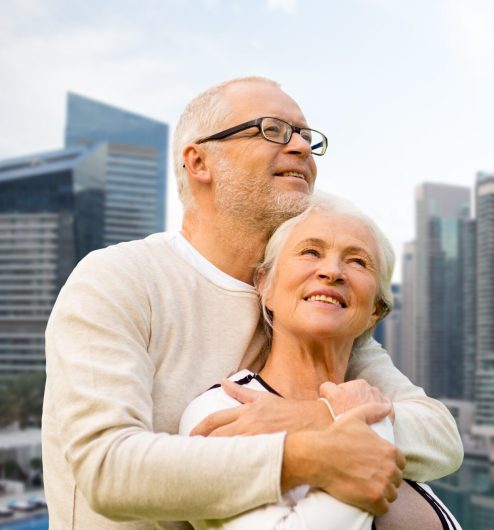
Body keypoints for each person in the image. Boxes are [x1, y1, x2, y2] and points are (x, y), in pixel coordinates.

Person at [42, 76, 463, 529]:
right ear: (199, 161)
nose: (301, 146)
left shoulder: (307, 308)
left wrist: (314, 417)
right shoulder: (120, 279)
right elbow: (107, 468)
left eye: (305, 135)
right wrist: (306, 455)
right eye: (272, 130)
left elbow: (438, 435)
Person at [179, 193, 461, 530]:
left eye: (357, 261)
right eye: (310, 252)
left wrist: (334, 417)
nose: (331, 271)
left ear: (375, 310)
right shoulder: (223, 409)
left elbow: (445, 442)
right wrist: (364, 425)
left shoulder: (374, 403)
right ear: (265, 285)